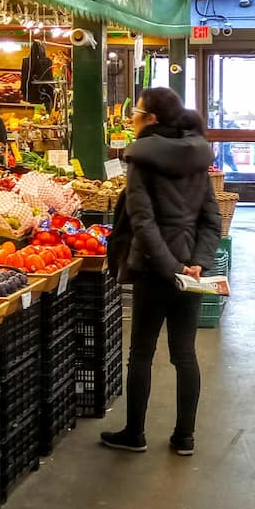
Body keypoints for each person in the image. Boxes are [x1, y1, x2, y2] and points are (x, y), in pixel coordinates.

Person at [101, 87, 221, 458]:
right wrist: (196, 263)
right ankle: (185, 437)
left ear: (151, 118)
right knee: (185, 354)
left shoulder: (142, 158)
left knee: (141, 352)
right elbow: (211, 218)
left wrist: (168, 267)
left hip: (153, 271)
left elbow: (142, 221)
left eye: (136, 113)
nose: (132, 119)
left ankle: (135, 433)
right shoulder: (197, 155)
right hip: (190, 274)